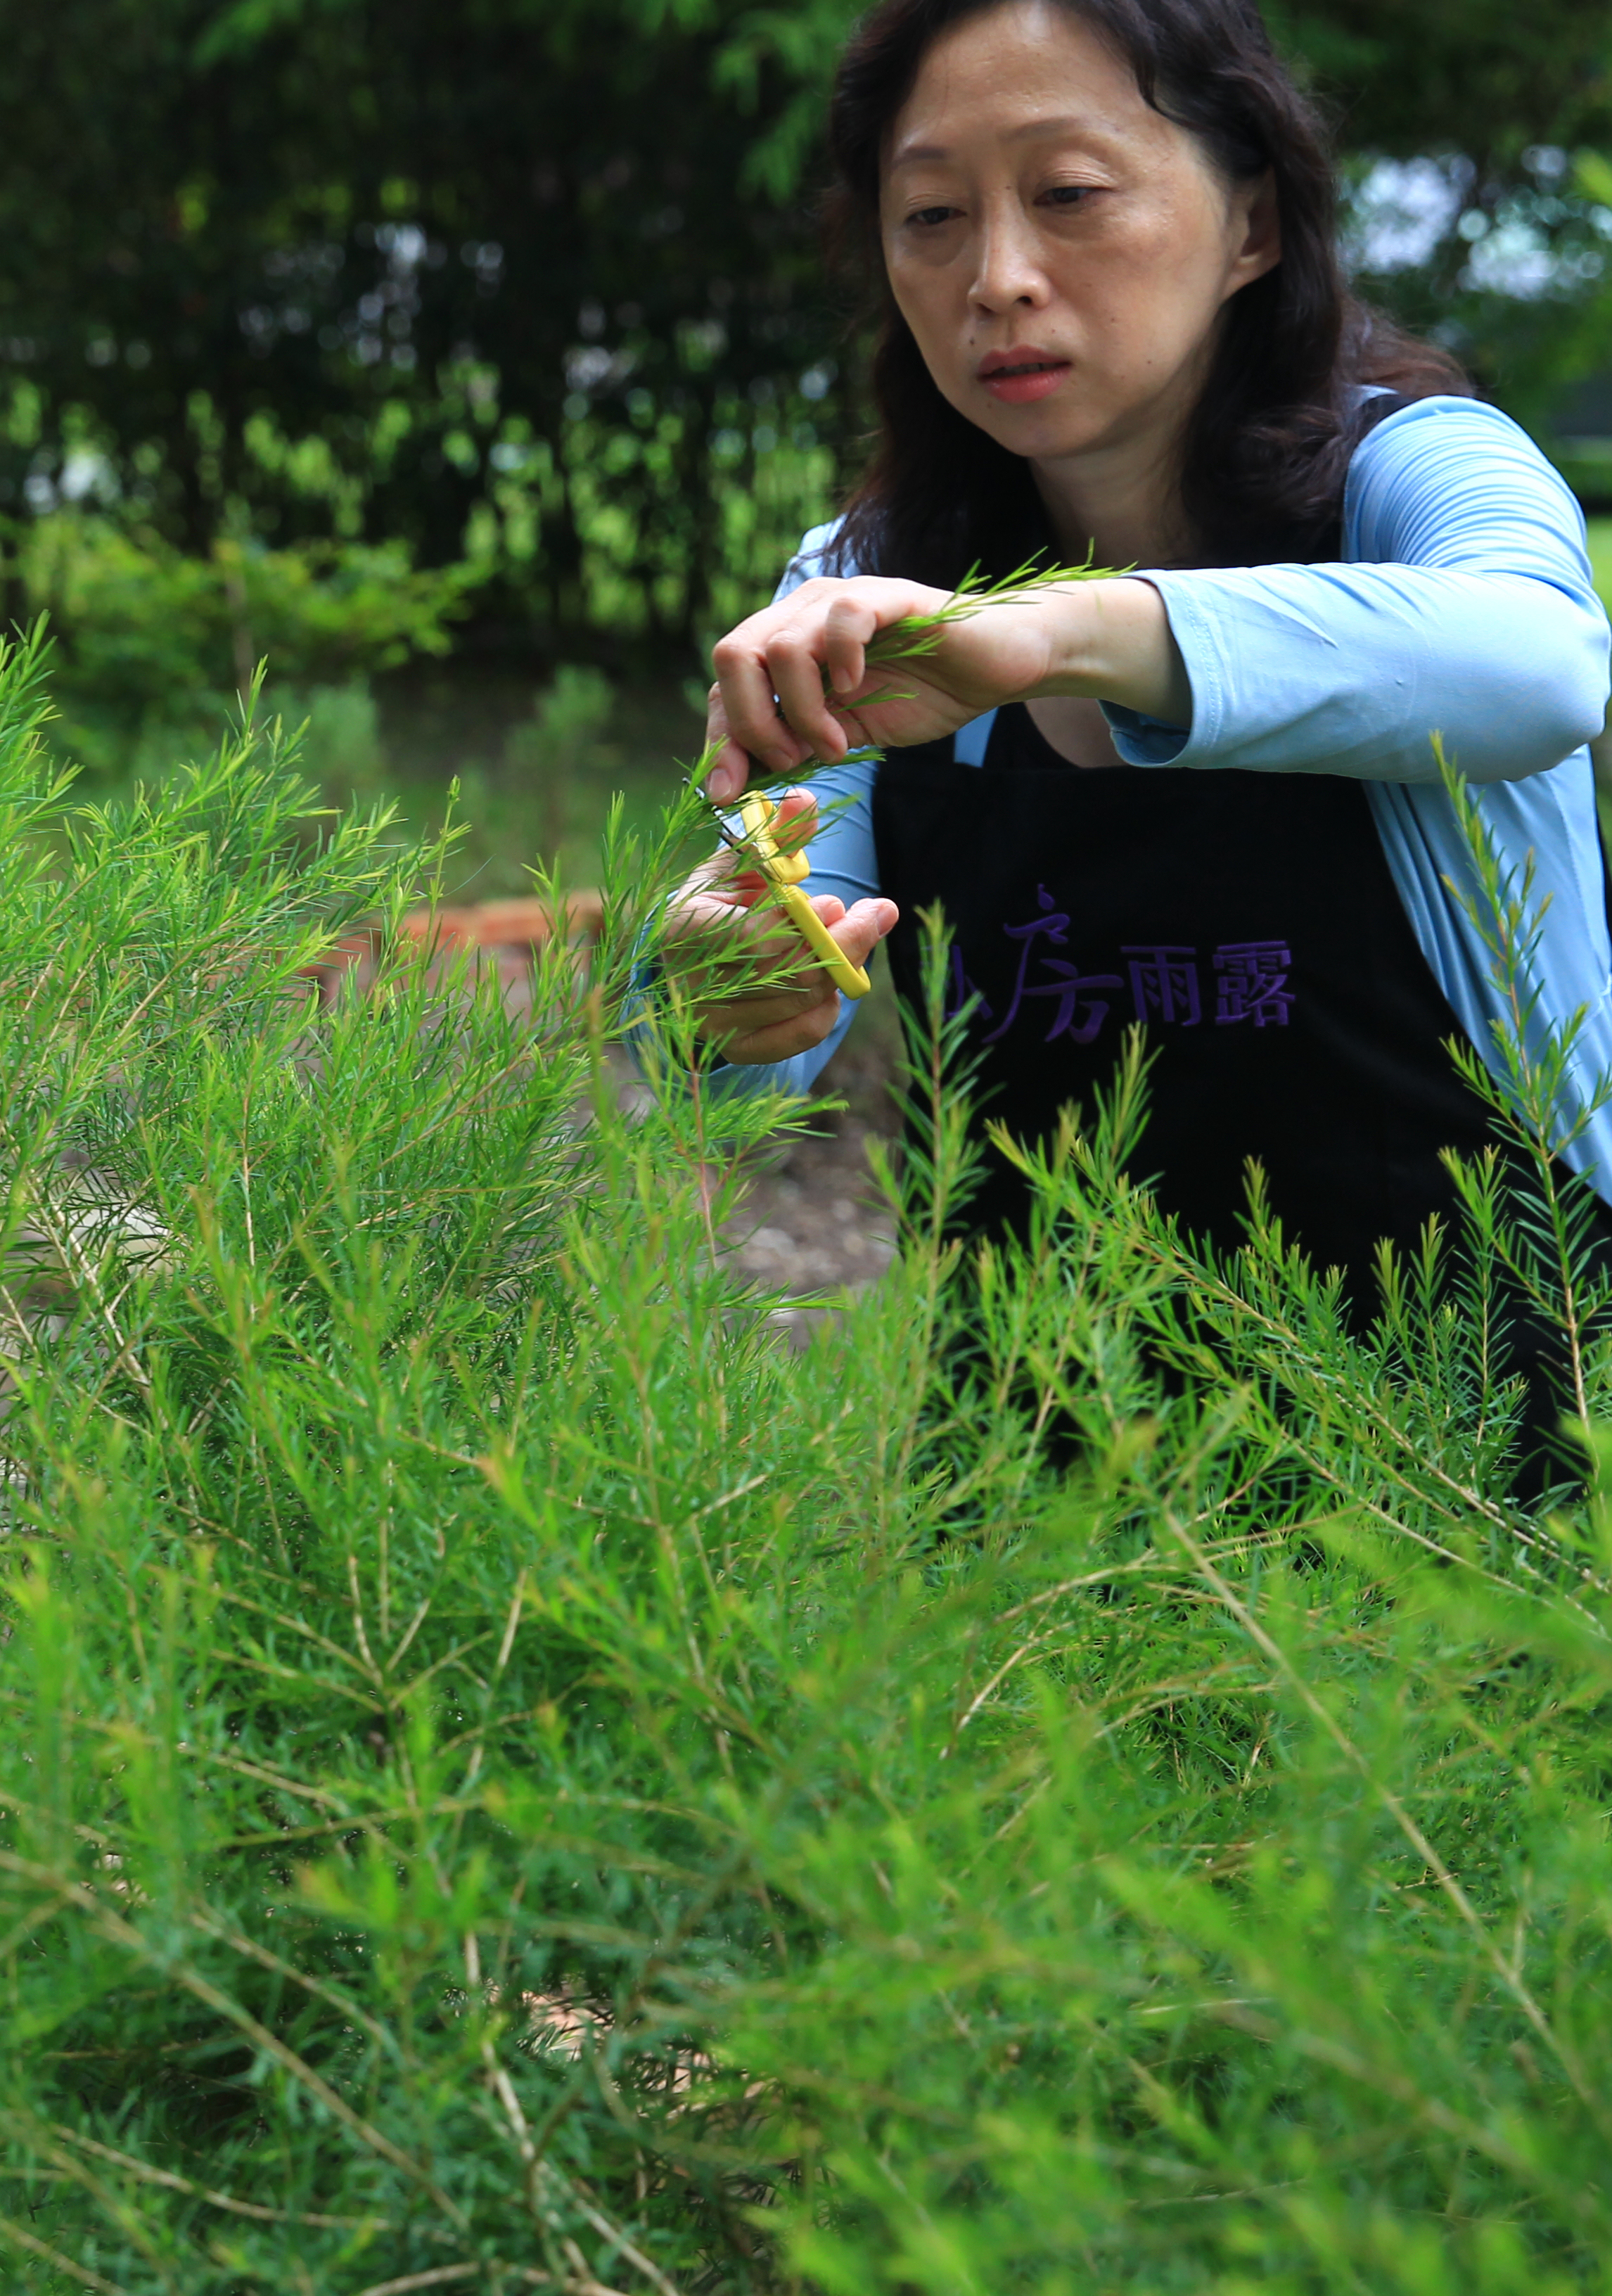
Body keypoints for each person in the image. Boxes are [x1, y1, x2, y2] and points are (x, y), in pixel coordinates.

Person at [665, 0, 1612, 1289]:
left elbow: (1539, 669)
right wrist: (723, 991)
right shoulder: (859, 581)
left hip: (1467, 1438)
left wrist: (1058, 631)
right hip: (1048, 1431)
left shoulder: (1417, 472)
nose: (996, 276)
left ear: (1254, 225)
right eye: (932, 215)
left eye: (1069, 191)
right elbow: (742, 1056)